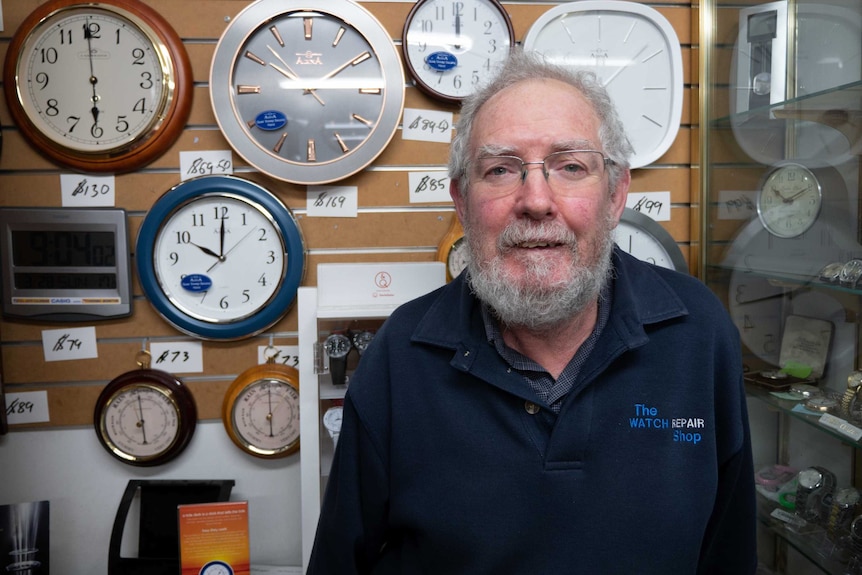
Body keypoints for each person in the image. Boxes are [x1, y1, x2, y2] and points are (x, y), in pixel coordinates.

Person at [307, 49, 757, 574]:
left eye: (570, 166)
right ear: (462, 200)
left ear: (615, 196)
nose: (537, 200)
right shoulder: (399, 356)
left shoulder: (698, 332)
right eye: (501, 169)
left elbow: (729, 551)